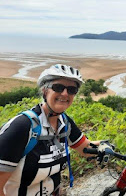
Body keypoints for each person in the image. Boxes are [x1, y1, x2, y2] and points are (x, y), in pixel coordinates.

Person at [0, 64, 101, 196]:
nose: (65, 93)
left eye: (71, 90)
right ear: (45, 91)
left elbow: (85, 148)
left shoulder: (64, 122)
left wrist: (108, 147)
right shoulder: (23, 127)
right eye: (58, 87)